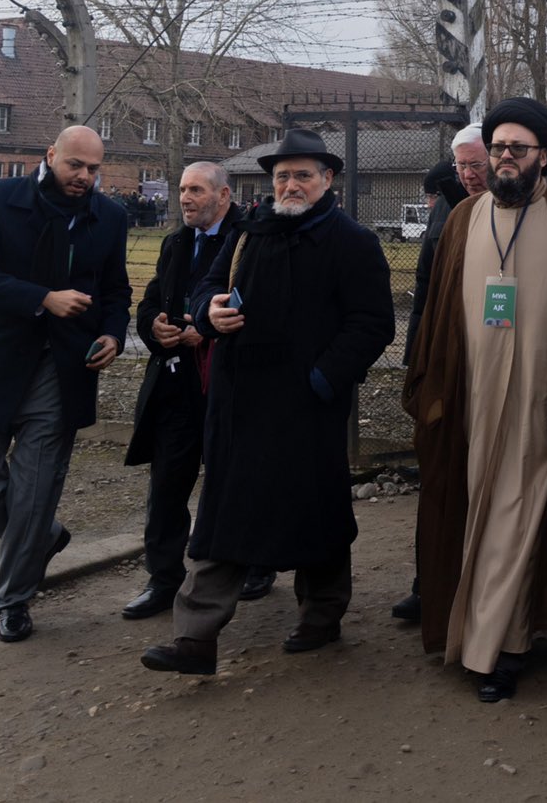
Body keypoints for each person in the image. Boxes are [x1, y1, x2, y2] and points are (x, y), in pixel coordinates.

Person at [139, 130, 396, 676]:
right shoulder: (249, 234)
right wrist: (210, 313)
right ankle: (195, 637)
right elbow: (204, 289)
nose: (291, 184)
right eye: (282, 175)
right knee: (222, 515)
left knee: (316, 513)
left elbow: (372, 324)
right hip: (239, 405)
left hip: (307, 407)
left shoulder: (353, 242)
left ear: (328, 180)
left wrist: (323, 381)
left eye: (303, 175)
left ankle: (322, 614)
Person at [406, 99, 547, 702]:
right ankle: (475, 628)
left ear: (542, 157)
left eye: (517, 150)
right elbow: (439, 317)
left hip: (537, 404)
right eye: (498, 149)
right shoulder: (464, 221)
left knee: (515, 514)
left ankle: (499, 643)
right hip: (469, 400)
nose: (504, 159)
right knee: (472, 506)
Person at [0, 125, 132, 643]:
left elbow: (117, 290)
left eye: (94, 169)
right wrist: (43, 297)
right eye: (75, 165)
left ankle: (13, 600)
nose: (84, 177)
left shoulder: (110, 216)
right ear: (50, 156)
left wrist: (113, 335)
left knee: (33, 493)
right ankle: (43, 539)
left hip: (65, 370)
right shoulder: (0, 199)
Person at [120, 161, 261, 620]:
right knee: (166, 485)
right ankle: (163, 580)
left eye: (196, 190)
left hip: (229, 384)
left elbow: (260, 308)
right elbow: (150, 300)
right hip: (176, 384)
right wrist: (153, 328)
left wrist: (208, 329)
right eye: (182, 189)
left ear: (223, 196)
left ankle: (254, 565)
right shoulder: (176, 243)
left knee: (236, 481)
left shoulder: (249, 241)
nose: (185, 198)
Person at [392, 124, 489, 624]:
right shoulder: (446, 210)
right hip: (445, 364)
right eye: (463, 166)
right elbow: (425, 292)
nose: (470, 175)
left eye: (478, 164)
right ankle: (428, 585)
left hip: (495, 368)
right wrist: (418, 360)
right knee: (439, 479)